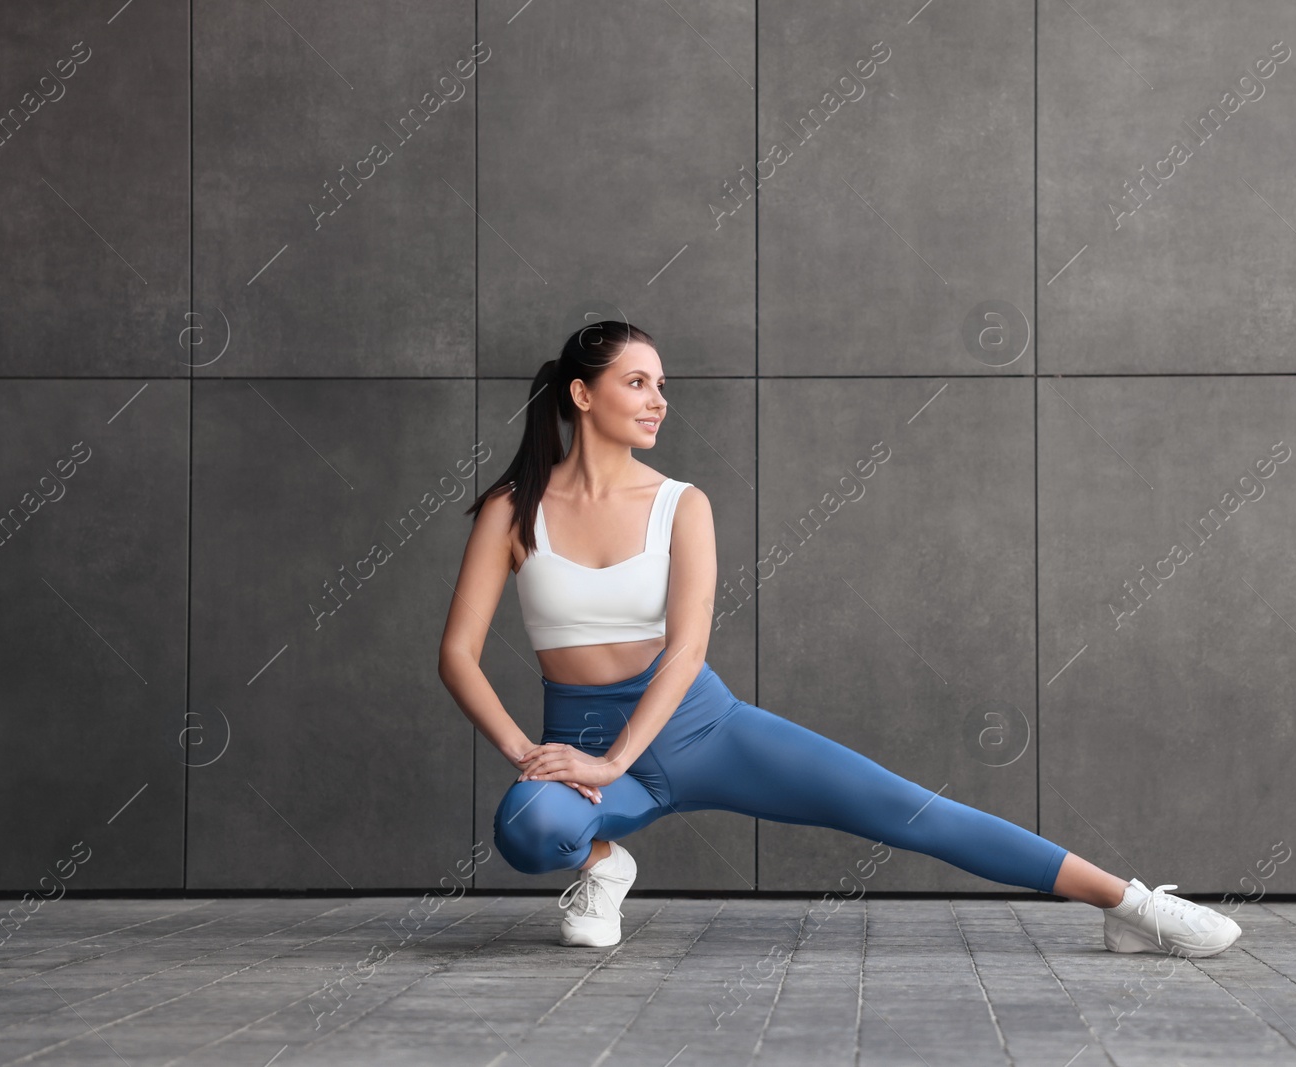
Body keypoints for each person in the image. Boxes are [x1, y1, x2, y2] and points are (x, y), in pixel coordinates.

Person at [437, 320, 1241, 957]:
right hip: (576, 743)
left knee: (907, 809)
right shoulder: (514, 509)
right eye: (636, 382)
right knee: (527, 827)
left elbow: (685, 651)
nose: (658, 400)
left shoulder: (682, 503)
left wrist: (615, 759)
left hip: (699, 727)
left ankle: (1133, 906)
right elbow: (458, 654)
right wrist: (529, 752)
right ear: (582, 393)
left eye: (661, 386)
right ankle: (602, 864)